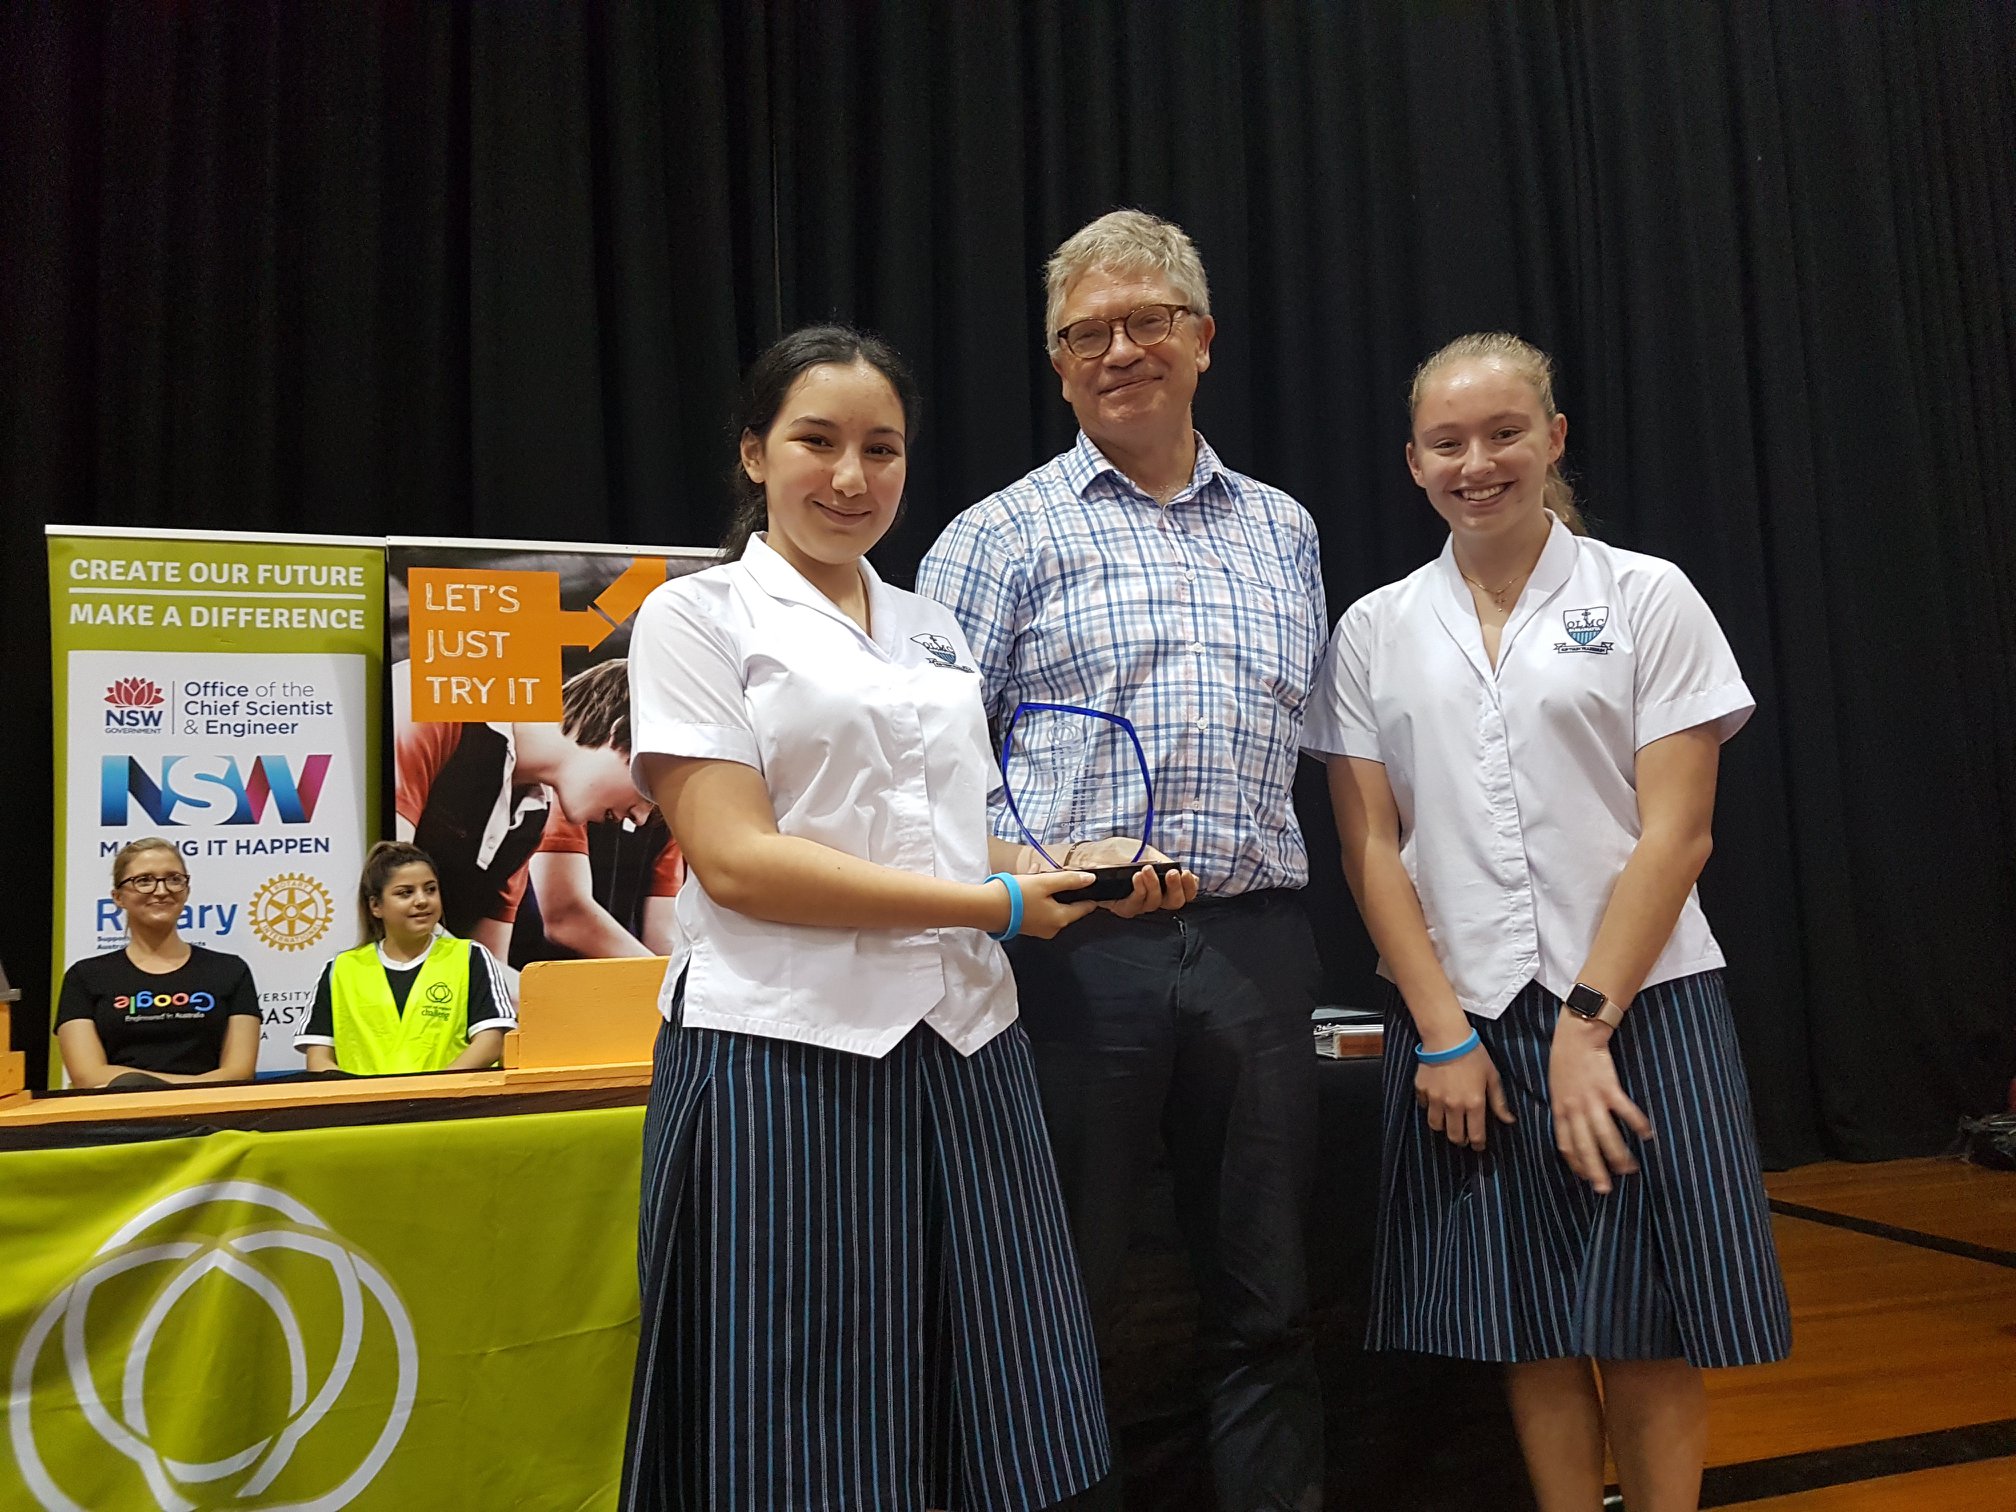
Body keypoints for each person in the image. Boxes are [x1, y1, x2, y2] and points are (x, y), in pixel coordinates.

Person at [620, 324, 1196, 1512]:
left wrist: (1075, 866)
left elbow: (939, 836)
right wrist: (995, 905)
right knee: (797, 1415)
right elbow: (735, 862)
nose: (851, 477)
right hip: (783, 1056)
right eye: (816, 443)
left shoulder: (931, 623)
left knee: (992, 1395)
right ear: (751, 453)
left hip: (965, 1049)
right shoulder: (697, 616)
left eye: (882, 449)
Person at [1303, 332, 1791, 1512]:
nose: (1479, 462)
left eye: (1505, 432)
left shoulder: (1647, 594)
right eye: (1448, 442)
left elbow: (1677, 834)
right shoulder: (1373, 628)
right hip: (1466, 1020)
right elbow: (1370, 847)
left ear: (1554, 438)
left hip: (1639, 1011)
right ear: (1413, 464)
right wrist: (1443, 1036)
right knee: (1527, 1321)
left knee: (1647, 1324)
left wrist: (1588, 1024)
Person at [917, 208, 1329, 1512]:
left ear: (1201, 339)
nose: (1117, 349)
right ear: (1056, 364)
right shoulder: (991, 538)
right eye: (1083, 332)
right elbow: (929, 777)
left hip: (1259, 944)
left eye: (1145, 320)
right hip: (1074, 956)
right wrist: (1033, 863)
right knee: (1061, 1307)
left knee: (1268, 1302)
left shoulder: (1287, 530)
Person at [392, 657, 655, 964]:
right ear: (620, 730)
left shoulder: (531, 820)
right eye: (650, 790)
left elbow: (491, 966)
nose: (641, 818)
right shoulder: (436, 703)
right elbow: (380, 883)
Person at [295, 841, 516, 1075]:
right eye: (405, 893)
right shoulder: (340, 969)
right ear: (376, 906)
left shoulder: (470, 956)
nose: (422, 900)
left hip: (451, 1106)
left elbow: (490, 1042)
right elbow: (318, 1059)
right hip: (366, 1109)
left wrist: (433, 1091)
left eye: (430, 889)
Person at [56, 838, 261, 1087]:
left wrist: (147, 1086)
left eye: (174, 879)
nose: (161, 890)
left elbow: (239, 1072)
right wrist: (181, 1088)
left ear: (186, 890)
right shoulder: (84, 976)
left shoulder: (231, 970)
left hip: (209, 1116)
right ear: (118, 897)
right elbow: (87, 1075)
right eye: (144, 881)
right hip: (120, 1117)